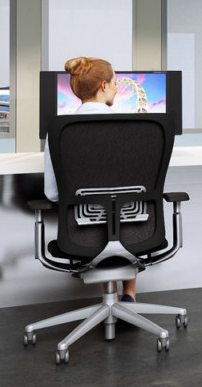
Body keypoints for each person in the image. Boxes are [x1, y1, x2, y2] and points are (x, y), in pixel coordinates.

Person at [43, 56, 137, 302]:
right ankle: (129, 294)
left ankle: (114, 298)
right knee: (124, 209)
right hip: (136, 230)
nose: (117, 89)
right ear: (104, 86)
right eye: (115, 83)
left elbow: (52, 194)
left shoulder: (60, 131)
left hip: (80, 235)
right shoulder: (135, 128)